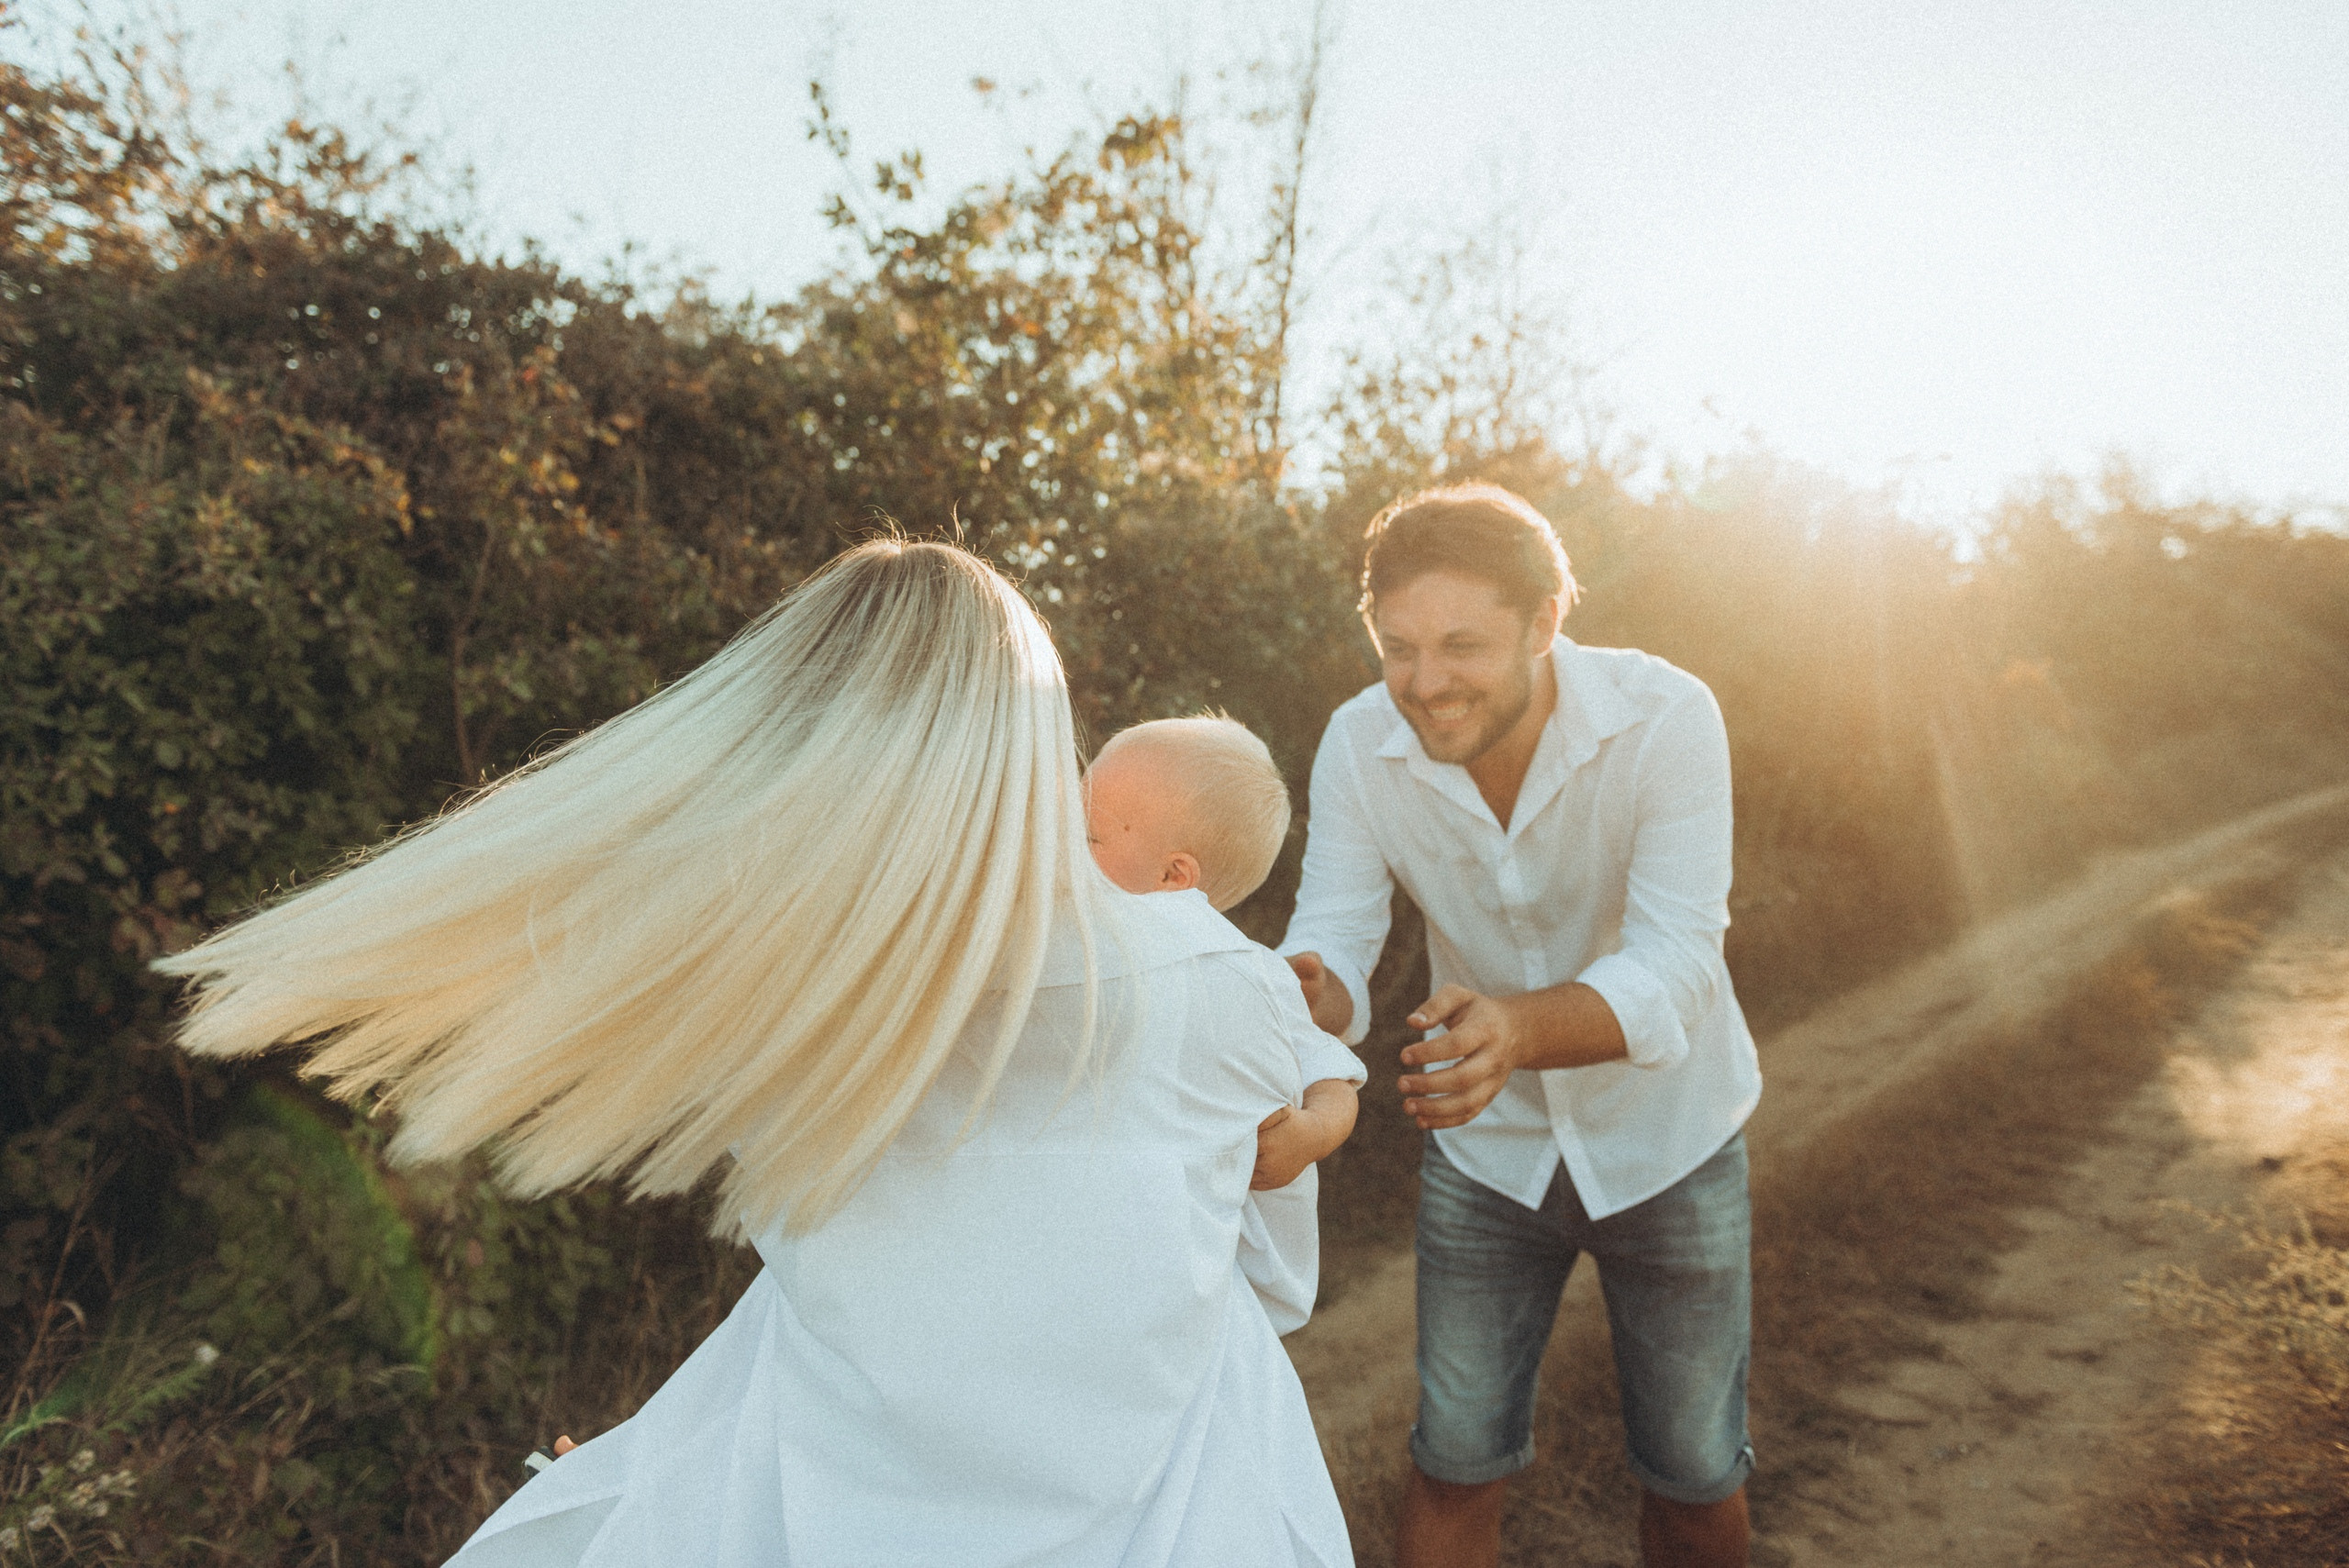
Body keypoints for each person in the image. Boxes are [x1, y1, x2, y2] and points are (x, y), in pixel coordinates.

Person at [155, 539, 1355, 1568]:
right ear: (1029, 745)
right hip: (1180, 1504)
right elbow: (1264, 1260)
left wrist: (661, 1479)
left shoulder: (794, 982)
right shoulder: (1203, 976)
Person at [1279, 484, 1762, 1568]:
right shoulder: (1360, 741)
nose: (1424, 682)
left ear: (1545, 623)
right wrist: (1293, 992)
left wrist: (1513, 1030)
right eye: (1396, 647)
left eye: (1461, 645)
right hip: (1485, 1160)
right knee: (1452, 1460)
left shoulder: (1665, 714)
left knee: (1692, 1476)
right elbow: (1337, 939)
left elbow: (1679, 959)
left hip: (1670, 1141)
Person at [1083, 716, 1361, 1193]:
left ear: (1173, 876)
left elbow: (1333, 1076)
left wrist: (1309, 1136)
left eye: (1089, 837)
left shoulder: (1247, 975)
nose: (1059, 844)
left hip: (1208, 1217)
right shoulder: (1068, 941)